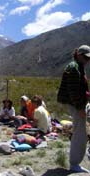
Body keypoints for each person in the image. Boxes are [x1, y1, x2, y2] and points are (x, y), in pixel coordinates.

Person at [57, 45, 90, 173]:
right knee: (80, 134)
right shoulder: (74, 68)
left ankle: (75, 161)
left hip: (78, 104)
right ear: (80, 55)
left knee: (79, 132)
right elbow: (73, 92)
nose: (88, 60)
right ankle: (74, 163)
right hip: (76, 105)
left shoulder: (78, 66)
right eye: (86, 57)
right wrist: (80, 108)